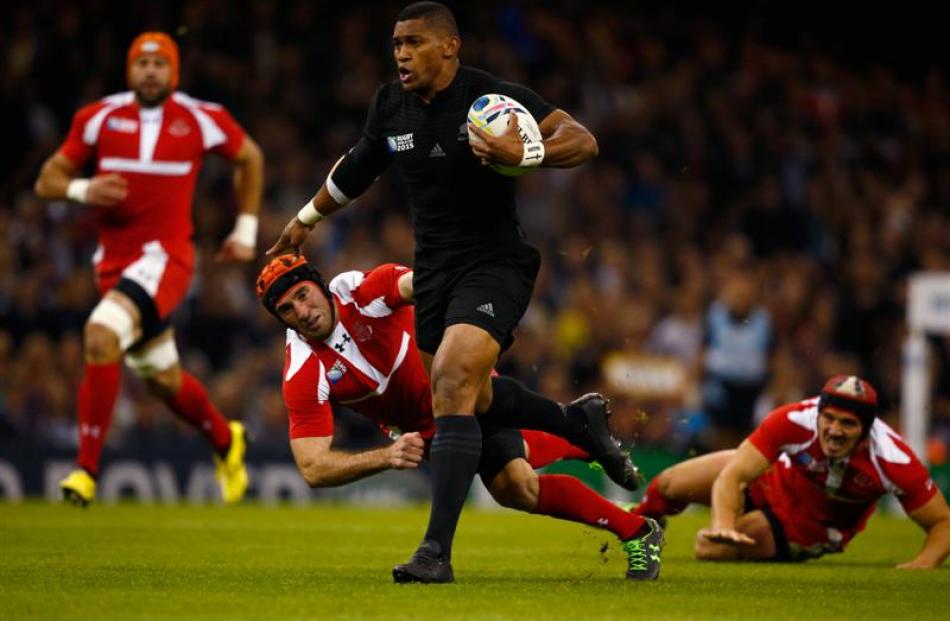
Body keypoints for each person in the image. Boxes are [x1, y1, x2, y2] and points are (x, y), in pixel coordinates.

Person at [266, 2, 636, 582]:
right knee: (499, 453)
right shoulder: (391, 106)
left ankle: (434, 553)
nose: (402, 55)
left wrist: (525, 152)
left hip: (495, 261)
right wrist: (309, 215)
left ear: (449, 47)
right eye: (396, 45)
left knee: (454, 382)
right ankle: (576, 423)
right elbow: (361, 163)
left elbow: (582, 141)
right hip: (435, 268)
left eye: (413, 43)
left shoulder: (489, 99)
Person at [255, 255, 664, 581]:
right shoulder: (303, 370)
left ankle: (633, 526)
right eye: (287, 309)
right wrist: (385, 457)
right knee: (516, 484)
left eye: (304, 295)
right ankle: (584, 434)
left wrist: (482, 318)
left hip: (464, 391)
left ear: (321, 286)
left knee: (514, 484)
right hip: (427, 431)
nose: (302, 311)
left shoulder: (363, 291)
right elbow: (312, 467)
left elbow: (427, 283)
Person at [33, 32, 264, 506]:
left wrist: (244, 228)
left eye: (161, 63)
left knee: (100, 334)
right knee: (163, 380)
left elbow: (250, 157)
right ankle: (226, 440)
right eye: (143, 63)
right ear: (129, 69)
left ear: (174, 72)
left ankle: (85, 469)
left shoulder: (201, 118)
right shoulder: (97, 118)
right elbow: (47, 179)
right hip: (113, 265)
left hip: (167, 259)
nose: (151, 71)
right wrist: (81, 190)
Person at [632, 375, 950, 567]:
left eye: (848, 424)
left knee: (710, 549)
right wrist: (724, 523)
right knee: (669, 484)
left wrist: (925, 563)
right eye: (830, 419)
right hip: (775, 479)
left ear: (866, 430)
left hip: (811, 524)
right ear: (818, 413)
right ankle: (639, 529)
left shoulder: (892, 458)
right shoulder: (794, 420)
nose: (835, 430)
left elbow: (942, 522)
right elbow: (734, 475)